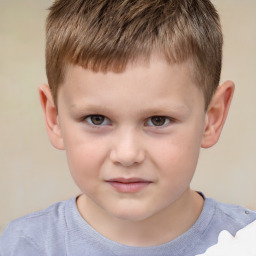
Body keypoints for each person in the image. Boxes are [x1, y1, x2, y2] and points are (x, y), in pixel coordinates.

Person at [0, 0, 255, 255]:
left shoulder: (247, 241)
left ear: (212, 117)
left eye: (158, 120)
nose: (127, 154)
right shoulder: (24, 246)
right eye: (97, 119)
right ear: (55, 118)